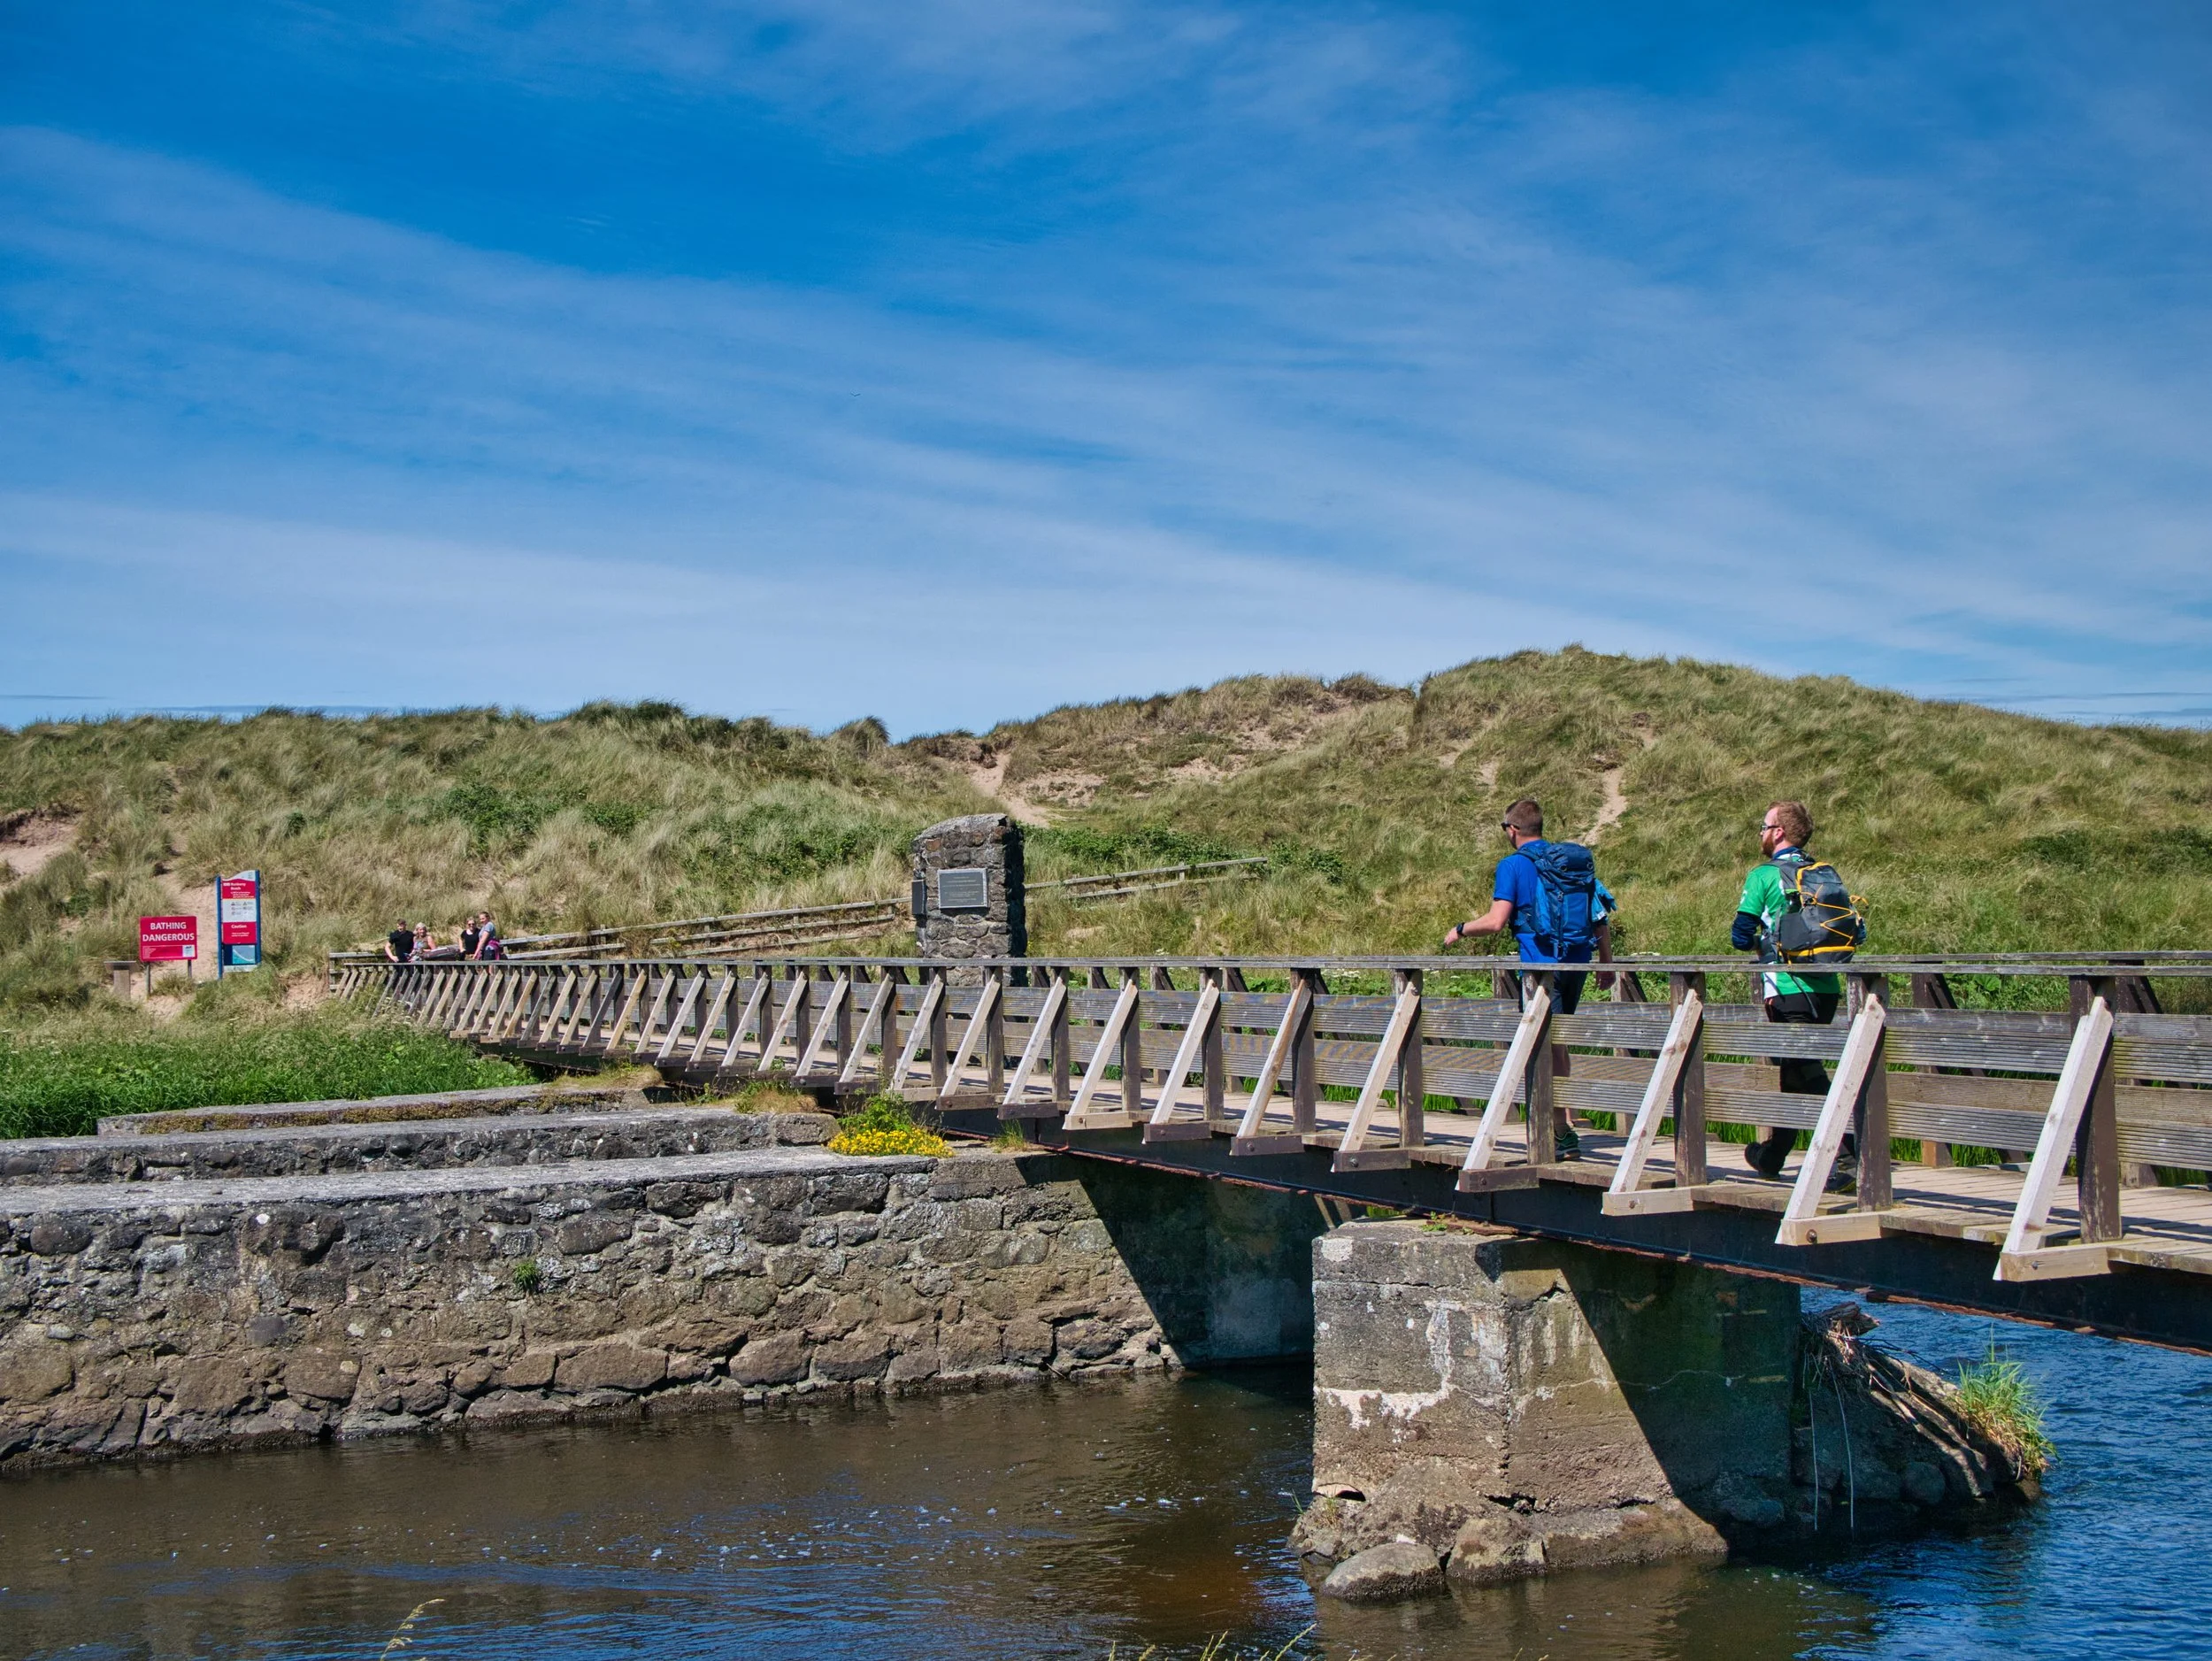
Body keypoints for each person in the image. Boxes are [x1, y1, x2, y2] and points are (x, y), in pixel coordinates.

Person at [1441, 797, 1617, 1158]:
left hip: (1540, 968)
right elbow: (1599, 916)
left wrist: (1460, 929)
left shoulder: (1513, 866)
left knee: (1541, 1047)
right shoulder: (1570, 861)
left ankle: (1558, 1130)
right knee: (1559, 1042)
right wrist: (1606, 963)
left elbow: (1495, 921)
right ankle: (1566, 1120)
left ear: (1513, 829)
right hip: (1576, 962)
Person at [1732, 800, 1852, 1188]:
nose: (1762, 834)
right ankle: (1773, 1155)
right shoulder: (1823, 872)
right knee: (1794, 1072)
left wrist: (1760, 943)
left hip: (1789, 988)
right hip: (1828, 985)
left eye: (1764, 827)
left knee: (1807, 1072)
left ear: (1779, 832)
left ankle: (1851, 1156)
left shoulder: (1764, 875)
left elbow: (1739, 935)